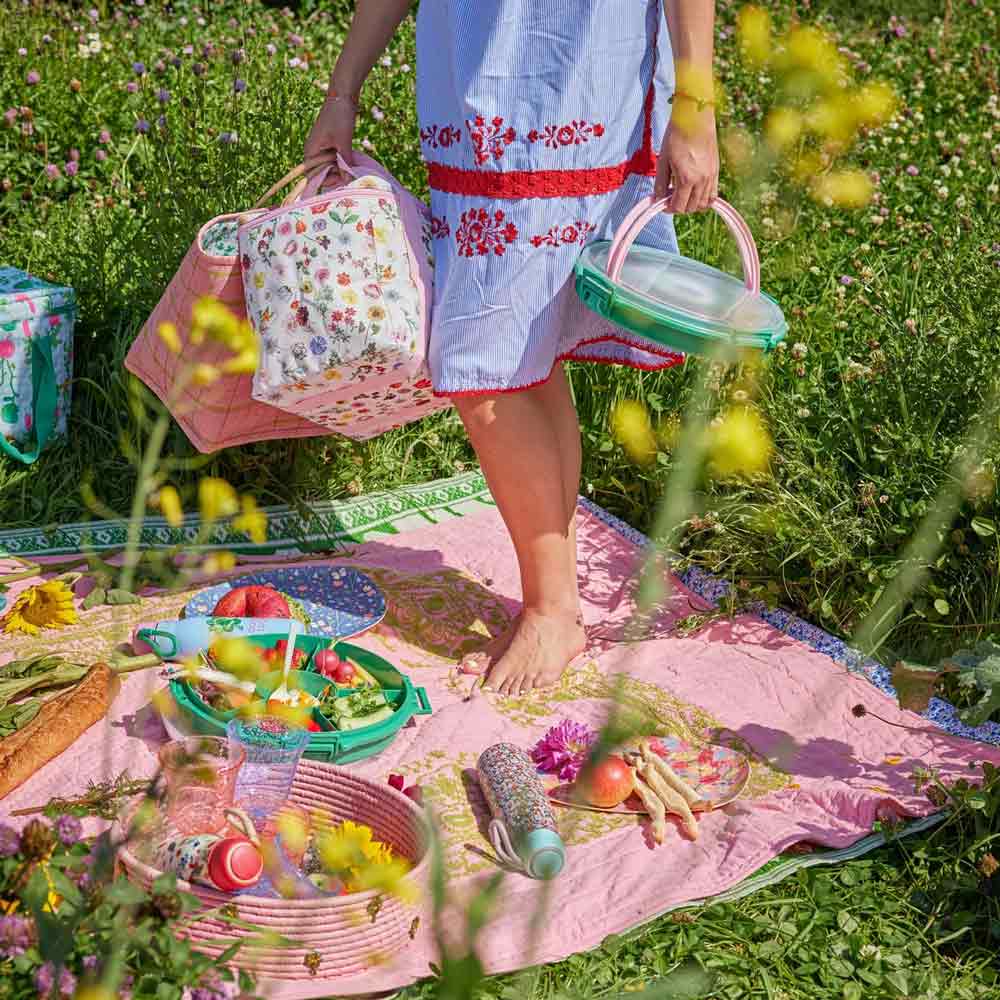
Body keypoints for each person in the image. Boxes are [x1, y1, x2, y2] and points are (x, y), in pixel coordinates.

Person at [306, 1, 719, 697]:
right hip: (479, 96)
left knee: (482, 369)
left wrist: (696, 104)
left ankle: (553, 610)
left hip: (575, 81)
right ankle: (554, 597)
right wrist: (342, 91)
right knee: (522, 354)